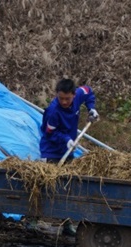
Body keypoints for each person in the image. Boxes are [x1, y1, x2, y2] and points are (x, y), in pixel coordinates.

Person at [38, 78, 99, 236]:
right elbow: (49, 133)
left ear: (73, 94)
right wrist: (66, 140)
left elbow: (89, 91)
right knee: (46, 185)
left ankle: (66, 223)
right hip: (51, 151)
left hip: (68, 149)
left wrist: (91, 109)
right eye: (61, 98)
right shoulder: (53, 111)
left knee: (68, 186)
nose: (64, 102)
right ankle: (32, 218)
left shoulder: (79, 94)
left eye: (67, 98)